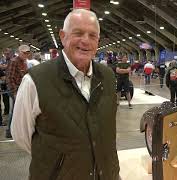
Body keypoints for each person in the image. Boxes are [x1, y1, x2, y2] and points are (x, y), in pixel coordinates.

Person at [11, 9, 120, 180]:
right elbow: (21, 135)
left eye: (92, 35)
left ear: (98, 42)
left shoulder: (107, 76)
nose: (85, 40)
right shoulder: (35, 81)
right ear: (63, 36)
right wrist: (59, 160)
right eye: (78, 33)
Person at [5, 45, 30, 138]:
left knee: (19, 110)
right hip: (15, 90)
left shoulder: (24, 62)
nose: (26, 54)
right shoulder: (14, 62)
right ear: (19, 52)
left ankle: (16, 130)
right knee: (15, 110)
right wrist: (14, 92)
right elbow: (9, 78)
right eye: (24, 53)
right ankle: (9, 131)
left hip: (21, 89)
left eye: (27, 52)